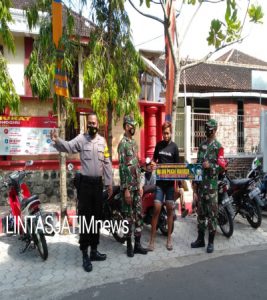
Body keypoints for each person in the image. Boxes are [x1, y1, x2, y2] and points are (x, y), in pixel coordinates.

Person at [50, 112, 113, 272]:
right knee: (85, 220)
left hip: (98, 185)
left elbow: (107, 162)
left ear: (98, 124)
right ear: (87, 124)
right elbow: (69, 147)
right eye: (90, 123)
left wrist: (109, 182)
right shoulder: (81, 139)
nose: (92, 125)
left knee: (96, 219)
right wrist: (57, 141)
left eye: (94, 123)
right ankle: (85, 254)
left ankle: (94, 251)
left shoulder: (102, 142)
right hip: (85, 185)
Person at [191, 119, 226, 253]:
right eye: (206, 128)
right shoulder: (202, 146)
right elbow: (198, 165)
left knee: (212, 215)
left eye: (209, 128)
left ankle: (210, 242)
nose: (207, 130)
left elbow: (223, 167)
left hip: (211, 188)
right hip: (201, 187)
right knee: (200, 214)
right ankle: (200, 240)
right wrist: (195, 184)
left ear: (215, 130)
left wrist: (210, 166)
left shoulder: (218, 147)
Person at [117, 115, 147, 257]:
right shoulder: (122, 144)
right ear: (125, 126)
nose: (133, 127)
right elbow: (122, 168)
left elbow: (138, 166)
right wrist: (126, 190)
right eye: (130, 125)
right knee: (128, 218)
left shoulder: (134, 144)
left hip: (137, 187)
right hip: (129, 189)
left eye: (134, 125)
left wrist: (141, 184)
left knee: (139, 216)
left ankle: (138, 245)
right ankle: (129, 245)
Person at [148, 121, 179, 251]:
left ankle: (169, 239)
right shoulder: (159, 145)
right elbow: (154, 161)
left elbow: (178, 169)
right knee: (156, 208)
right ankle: (152, 240)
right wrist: (153, 164)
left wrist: (178, 187)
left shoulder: (174, 147)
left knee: (170, 209)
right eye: (164, 133)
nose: (165, 135)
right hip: (160, 183)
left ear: (171, 132)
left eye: (167, 133)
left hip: (170, 185)